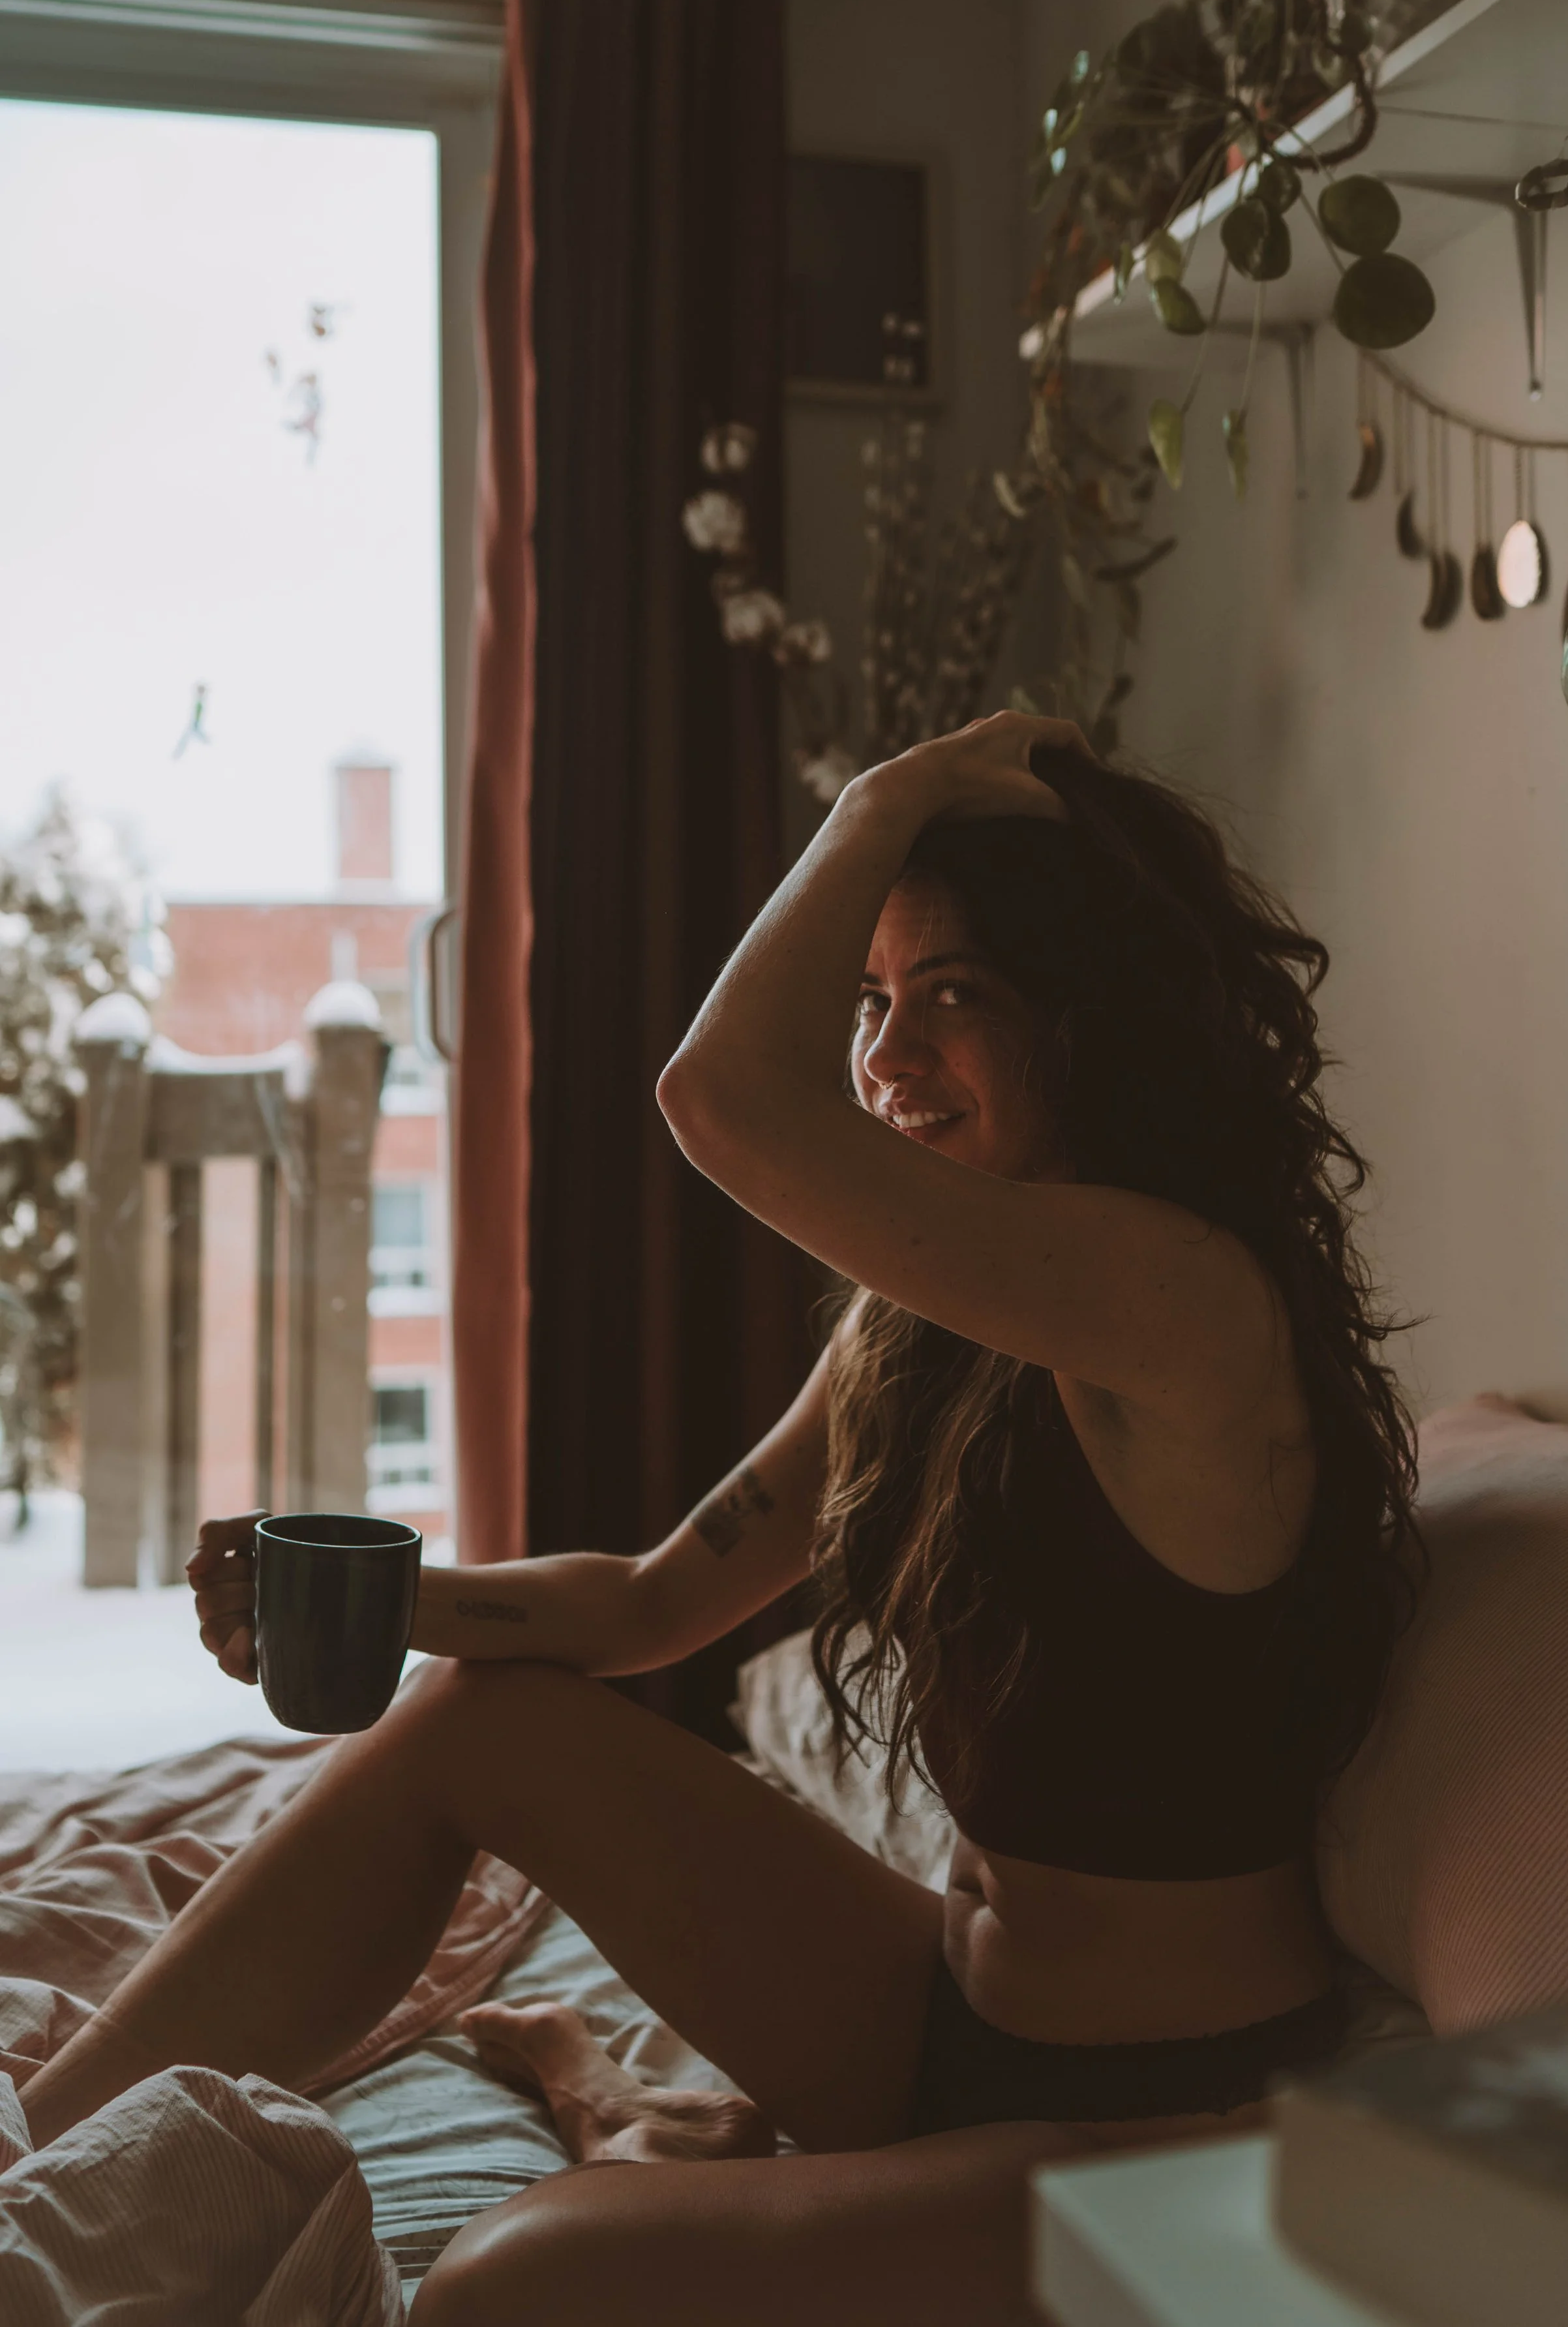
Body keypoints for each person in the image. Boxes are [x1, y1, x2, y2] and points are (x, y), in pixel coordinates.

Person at [18, 713, 1420, 2326]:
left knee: (504, 2289)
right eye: (872, 1005)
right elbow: (641, 1602)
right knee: (482, 1726)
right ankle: (29, 2174)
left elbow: (721, 1098)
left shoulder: (1183, 1299)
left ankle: (613, 2147)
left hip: (1151, 2127)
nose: (886, 1059)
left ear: (1089, 1017)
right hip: (935, 2016)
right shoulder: (929, 1322)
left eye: (949, 999)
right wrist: (373, 1596)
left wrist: (892, 795)